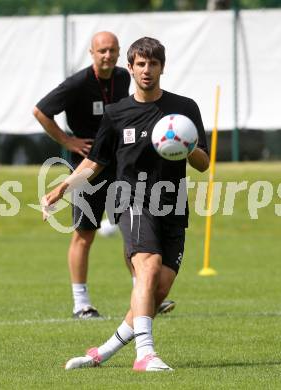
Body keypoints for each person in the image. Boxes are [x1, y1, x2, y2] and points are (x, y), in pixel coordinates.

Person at [42, 36, 209, 371]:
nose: (147, 70)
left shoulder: (185, 109)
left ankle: (103, 351)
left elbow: (203, 164)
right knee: (147, 266)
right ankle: (145, 354)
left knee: (157, 289)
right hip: (131, 198)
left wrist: (186, 145)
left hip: (173, 205)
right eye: (141, 64)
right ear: (130, 68)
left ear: (163, 66)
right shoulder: (117, 114)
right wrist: (62, 187)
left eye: (154, 64)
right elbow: (94, 163)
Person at [33, 31, 130, 319]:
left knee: (133, 229)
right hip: (86, 168)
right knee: (84, 234)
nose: (107, 56)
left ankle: (145, 294)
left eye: (112, 50)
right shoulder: (77, 83)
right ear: (92, 53)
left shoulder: (124, 78)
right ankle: (81, 303)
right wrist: (69, 142)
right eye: (102, 51)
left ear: (118, 52)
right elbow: (40, 112)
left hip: (118, 164)